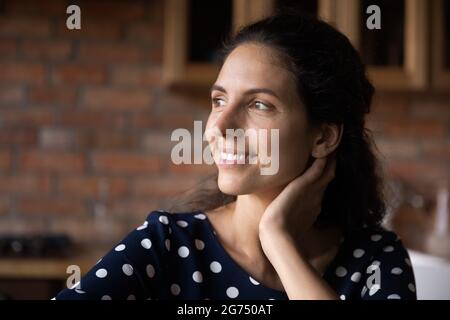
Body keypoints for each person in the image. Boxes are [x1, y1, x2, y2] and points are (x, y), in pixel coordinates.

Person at [55, 11, 416, 300]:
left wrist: (278, 240)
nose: (219, 126)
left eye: (259, 104)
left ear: (322, 137)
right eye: (219, 100)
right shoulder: (166, 244)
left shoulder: (374, 259)